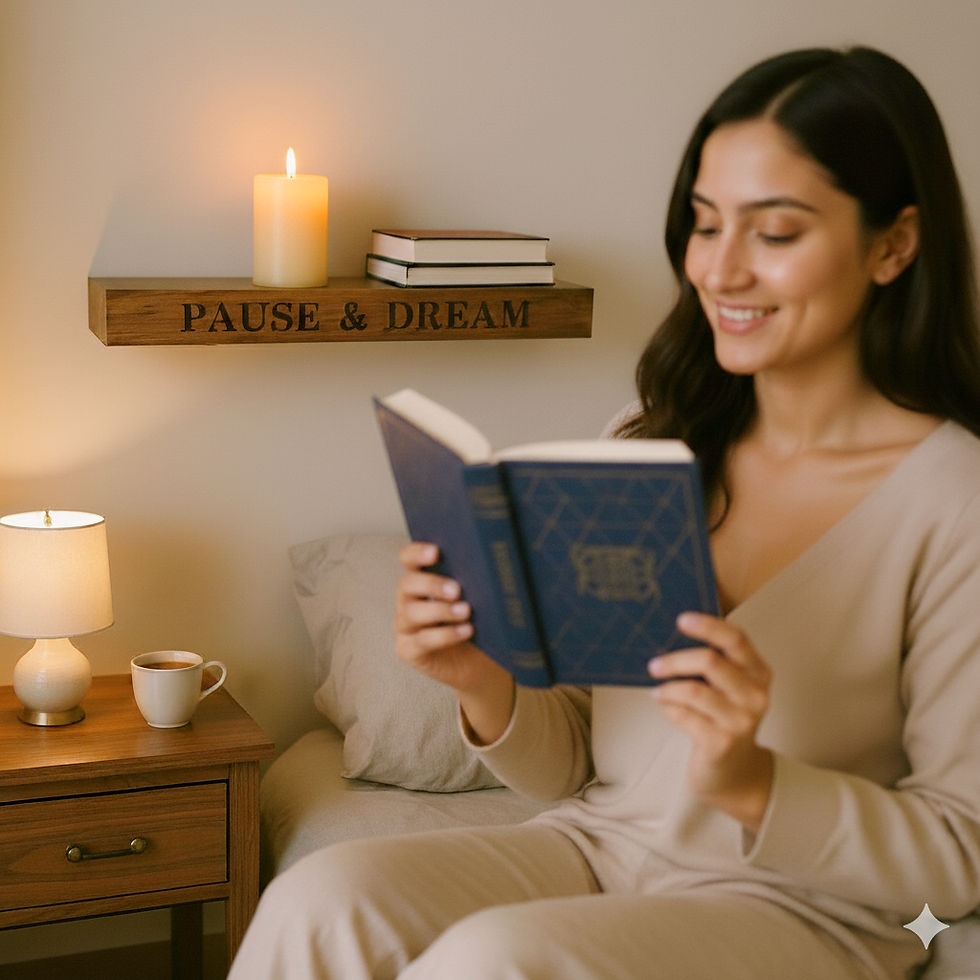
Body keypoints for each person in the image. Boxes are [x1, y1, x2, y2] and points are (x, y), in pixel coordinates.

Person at [229, 46, 980, 979]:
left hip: (805, 907)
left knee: (497, 959)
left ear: (893, 244)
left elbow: (960, 853)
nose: (722, 270)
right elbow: (577, 766)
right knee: (319, 900)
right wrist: (480, 680)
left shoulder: (954, 499)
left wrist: (754, 781)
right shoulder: (652, 445)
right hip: (597, 845)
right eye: (706, 226)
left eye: (775, 233)